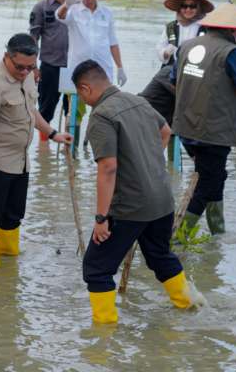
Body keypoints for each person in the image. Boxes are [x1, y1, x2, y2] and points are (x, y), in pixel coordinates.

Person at [73, 60, 194, 324]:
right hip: (161, 200)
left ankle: (104, 335)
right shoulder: (138, 101)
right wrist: (145, 162)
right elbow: (165, 132)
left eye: (81, 95)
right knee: (160, 256)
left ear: (84, 88)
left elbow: (107, 168)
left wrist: (101, 219)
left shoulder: (101, 115)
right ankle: (189, 307)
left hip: (130, 207)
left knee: (96, 268)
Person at [0, 33, 72, 268]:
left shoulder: (27, 76)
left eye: (31, 67)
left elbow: (31, 111)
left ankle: (8, 268)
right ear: (6, 57)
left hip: (20, 161)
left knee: (13, 215)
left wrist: (52, 133)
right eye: (20, 67)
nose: (25, 72)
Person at [172, 2, 236, 235]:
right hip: (213, 131)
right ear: (234, 30)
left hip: (186, 127)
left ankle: (217, 234)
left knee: (215, 177)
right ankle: (178, 237)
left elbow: (173, 80)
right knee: (207, 183)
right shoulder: (232, 52)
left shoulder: (187, 46)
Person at [56, 0, 126, 144]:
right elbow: (60, 17)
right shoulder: (73, 10)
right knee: (75, 113)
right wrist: (66, 4)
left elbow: (113, 42)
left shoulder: (106, 13)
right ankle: (72, 151)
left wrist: (120, 67)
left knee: (104, 111)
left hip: (102, 71)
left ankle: (93, 147)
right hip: (77, 70)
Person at [29, 0, 71, 140]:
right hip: (49, 66)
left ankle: (68, 144)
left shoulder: (77, 7)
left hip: (72, 67)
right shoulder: (41, 7)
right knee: (45, 110)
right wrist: (33, 67)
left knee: (72, 110)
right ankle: (43, 152)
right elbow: (33, 38)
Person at [157, 0, 213, 66]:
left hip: (194, 69)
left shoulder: (205, 28)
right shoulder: (171, 27)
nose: (188, 9)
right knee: (157, 79)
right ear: (179, 8)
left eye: (193, 6)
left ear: (199, 8)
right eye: (184, 6)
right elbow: (160, 47)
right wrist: (166, 53)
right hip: (171, 67)